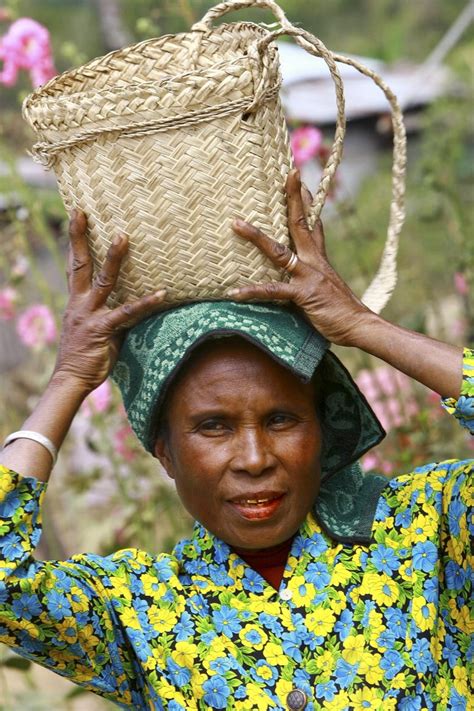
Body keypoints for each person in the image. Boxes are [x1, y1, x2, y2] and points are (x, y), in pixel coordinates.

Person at [0, 170, 472, 710]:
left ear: (322, 427)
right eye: (213, 427)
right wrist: (69, 379)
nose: (253, 459)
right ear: (164, 451)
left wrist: (362, 326)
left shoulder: (428, 529)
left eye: (281, 420)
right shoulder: (139, 609)